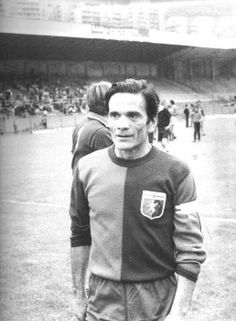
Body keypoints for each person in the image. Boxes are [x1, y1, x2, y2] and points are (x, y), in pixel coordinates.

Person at [69, 79, 206, 321]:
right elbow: (79, 234)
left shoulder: (177, 173)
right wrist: (79, 294)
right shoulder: (86, 168)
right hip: (102, 300)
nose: (121, 125)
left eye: (133, 115)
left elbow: (190, 252)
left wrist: (178, 313)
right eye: (114, 115)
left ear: (152, 121)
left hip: (156, 301)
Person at [71, 81, 113, 172]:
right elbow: (114, 167)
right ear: (108, 103)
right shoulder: (101, 132)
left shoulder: (82, 124)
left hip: (81, 181)